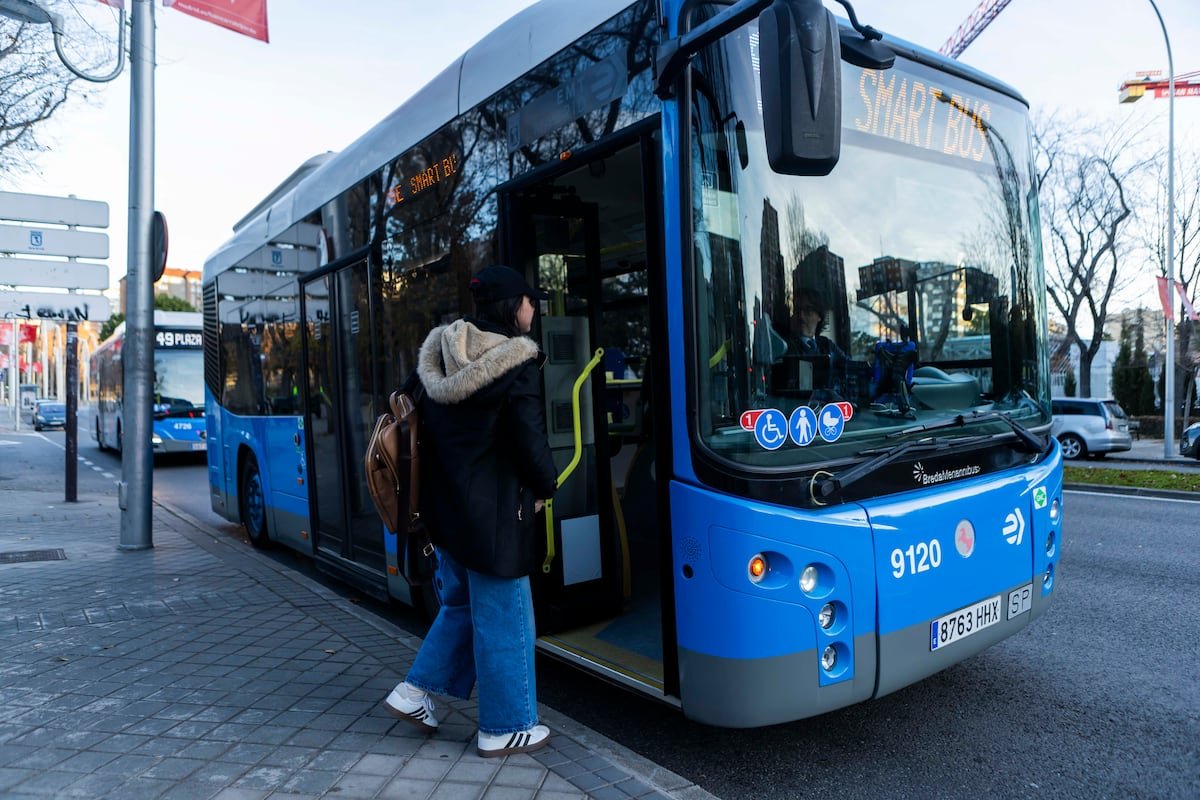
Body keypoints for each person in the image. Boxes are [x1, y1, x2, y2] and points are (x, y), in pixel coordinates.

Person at [382, 264, 558, 758]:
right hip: (498, 518)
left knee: (461, 606)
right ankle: (507, 725)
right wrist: (548, 483)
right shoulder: (516, 362)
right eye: (529, 300)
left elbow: (404, 411)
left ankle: (415, 692)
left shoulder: (437, 356)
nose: (534, 309)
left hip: (446, 514)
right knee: (505, 616)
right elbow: (529, 441)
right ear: (512, 306)